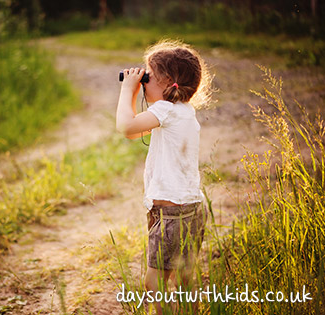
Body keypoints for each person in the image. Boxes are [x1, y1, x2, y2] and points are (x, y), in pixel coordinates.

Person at [115, 39, 213, 314]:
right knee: (185, 277)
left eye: (147, 77)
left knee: (154, 282)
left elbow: (125, 127)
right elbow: (135, 132)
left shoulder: (166, 110)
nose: (143, 82)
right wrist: (137, 91)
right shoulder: (183, 111)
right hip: (190, 209)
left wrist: (127, 90)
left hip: (171, 214)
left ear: (168, 81)